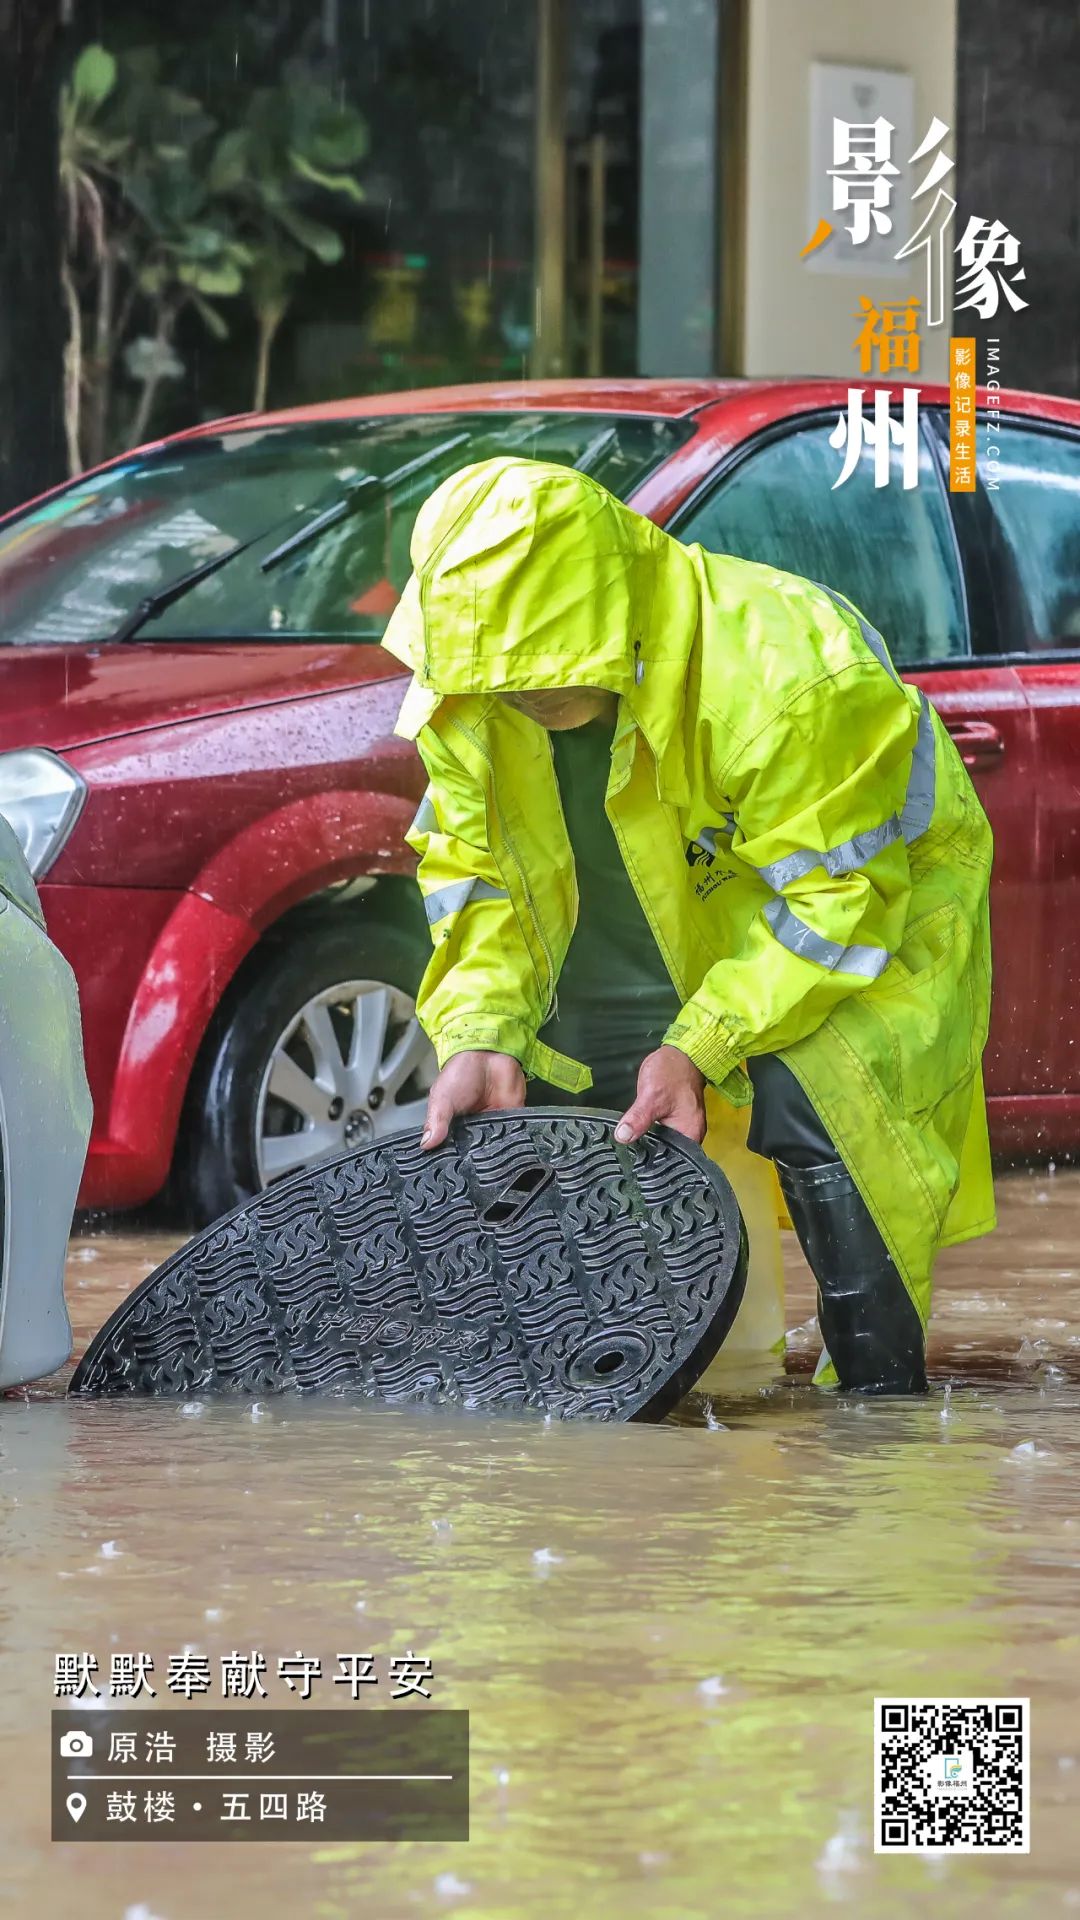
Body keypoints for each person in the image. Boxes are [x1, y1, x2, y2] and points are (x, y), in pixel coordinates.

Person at [381, 456, 995, 1394]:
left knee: (828, 1100)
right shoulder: (473, 694)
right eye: (498, 685)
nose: (516, 704)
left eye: (537, 679)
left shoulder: (790, 671)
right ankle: (629, 1392)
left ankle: (879, 1410)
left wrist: (703, 1043)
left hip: (870, 917)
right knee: (563, 1094)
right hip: (646, 926)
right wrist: (477, 1034)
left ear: (608, 611)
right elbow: (474, 880)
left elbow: (838, 908)